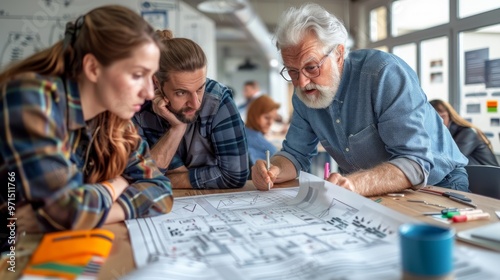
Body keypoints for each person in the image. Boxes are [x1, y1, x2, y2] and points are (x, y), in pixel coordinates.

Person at [252, 3, 469, 195]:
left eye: (311, 67)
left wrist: (356, 184)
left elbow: (415, 163)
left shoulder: (384, 74)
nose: (301, 82)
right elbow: (294, 154)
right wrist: (274, 170)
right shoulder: (304, 95)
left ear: (338, 54)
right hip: (370, 191)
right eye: (292, 71)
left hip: (438, 186)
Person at [0, 5, 173, 241]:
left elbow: (161, 189)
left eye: (151, 78)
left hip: (52, 244)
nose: (150, 93)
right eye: (136, 75)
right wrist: (117, 185)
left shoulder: (113, 112)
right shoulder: (31, 97)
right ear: (93, 68)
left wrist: (88, 210)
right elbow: (69, 212)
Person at [132, 30, 249, 189]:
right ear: (157, 83)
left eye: (200, 88)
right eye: (181, 92)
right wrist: (177, 128)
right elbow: (140, 179)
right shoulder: (139, 107)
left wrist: (168, 178)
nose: (195, 103)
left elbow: (235, 176)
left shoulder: (219, 100)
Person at [430, 99, 499, 166]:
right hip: (474, 175)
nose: (439, 122)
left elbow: (451, 159)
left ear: (449, 116)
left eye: (442, 117)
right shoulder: (442, 135)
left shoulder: (468, 132)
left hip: (489, 176)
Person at [245, 95, 280, 166]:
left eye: (273, 119)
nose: (270, 123)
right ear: (254, 115)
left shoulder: (245, 133)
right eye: (267, 118)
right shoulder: (255, 140)